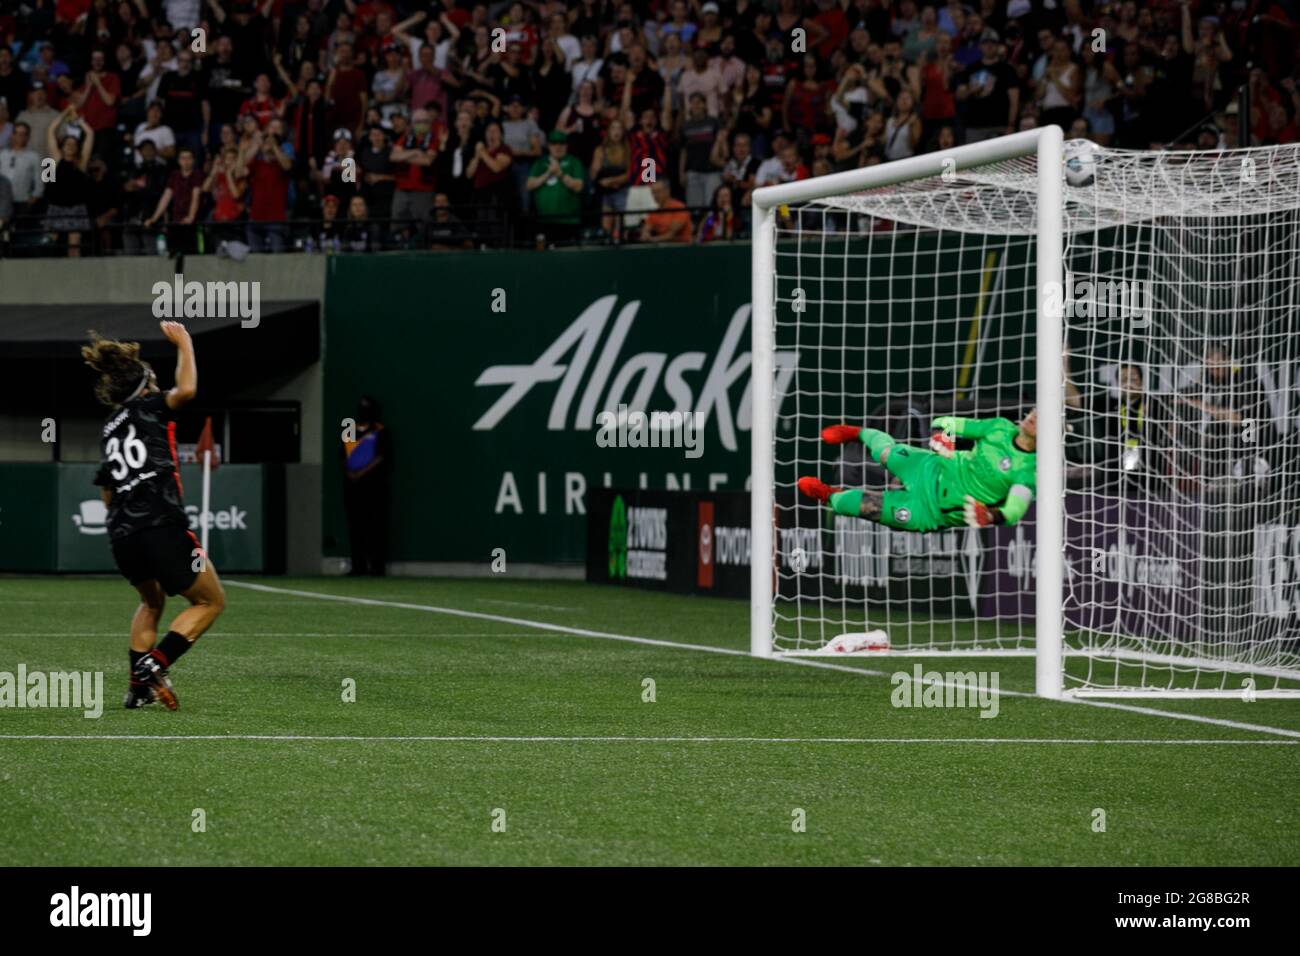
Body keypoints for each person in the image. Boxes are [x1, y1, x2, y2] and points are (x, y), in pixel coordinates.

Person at [81, 323, 225, 710]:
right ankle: (154, 665)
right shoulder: (149, 406)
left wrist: (127, 523)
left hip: (122, 535)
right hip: (161, 525)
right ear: (143, 387)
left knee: (151, 603)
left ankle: (137, 689)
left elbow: (107, 491)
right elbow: (189, 390)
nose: (158, 386)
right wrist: (186, 344)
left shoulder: (109, 430)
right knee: (210, 602)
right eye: (154, 381)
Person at [799, 409, 1038, 531]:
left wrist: (989, 516)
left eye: (1041, 418)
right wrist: (942, 437)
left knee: (862, 506)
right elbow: (947, 422)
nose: (1033, 417)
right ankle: (856, 433)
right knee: (884, 453)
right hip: (929, 467)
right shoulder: (999, 428)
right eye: (1034, 411)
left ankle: (827, 495)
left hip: (929, 511)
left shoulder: (1030, 471)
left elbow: (1014, 510)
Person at [342, 396, 391, 576]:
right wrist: (350, 473)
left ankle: (377, 567)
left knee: (375, 527)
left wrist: (361, 473)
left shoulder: (381, 431)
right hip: (352, 490)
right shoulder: (350, 430)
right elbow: (343, 456)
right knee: (355, 528)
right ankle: (358, 566)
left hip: (374, 488)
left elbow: (381, 457)